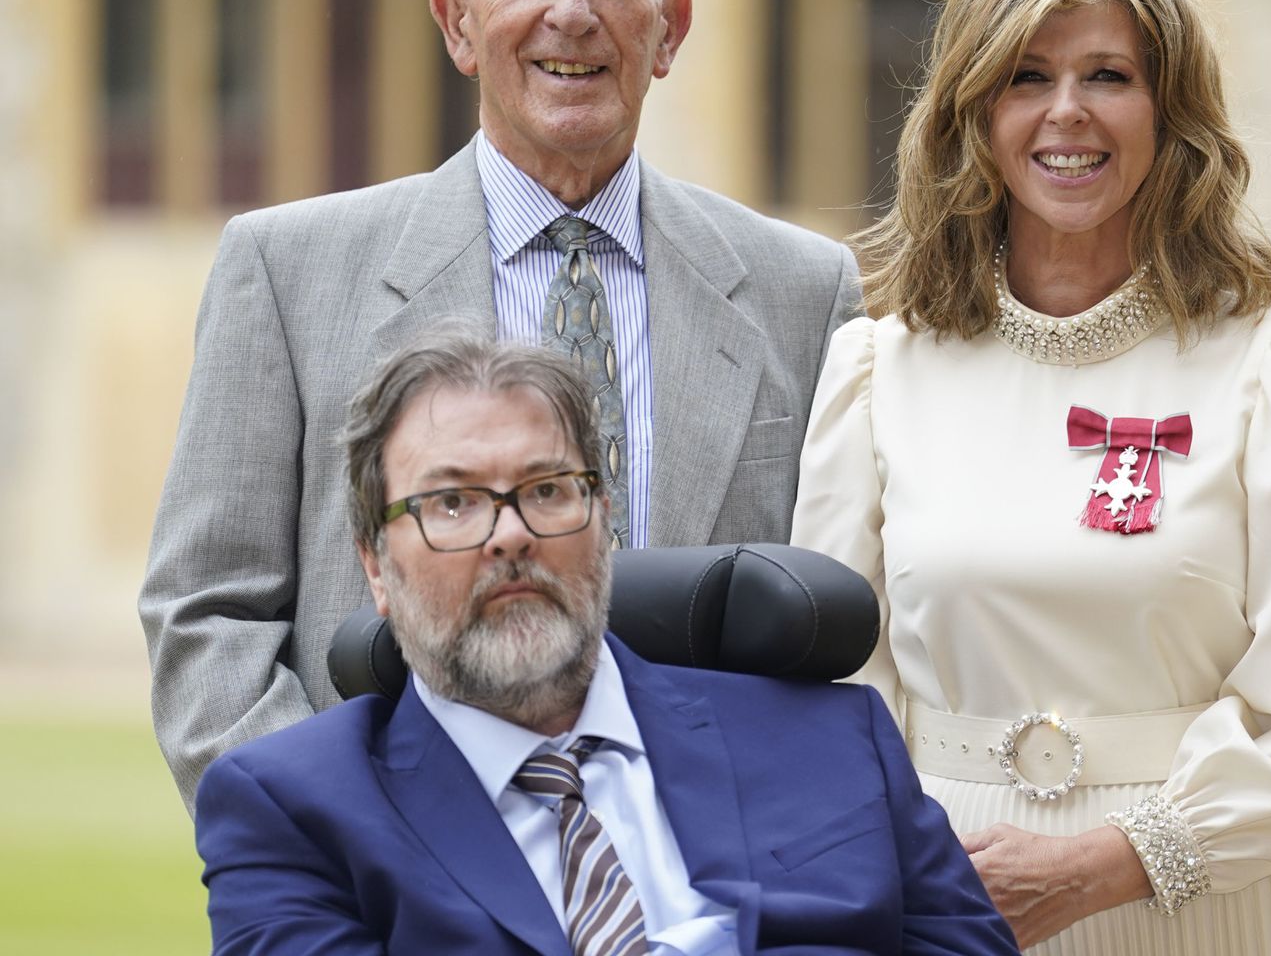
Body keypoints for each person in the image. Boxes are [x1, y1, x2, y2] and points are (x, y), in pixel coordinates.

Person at [790, 0, 1271, 955]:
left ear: (1169, 113)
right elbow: (835, 684)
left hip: (1220, 901)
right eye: (1025, 77)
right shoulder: (876, 372)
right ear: (971, 114)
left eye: (1108, 76)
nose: (1064, 112)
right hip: (947, 899)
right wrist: (914, 865)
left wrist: (1114, 863)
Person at [141, 0, 858, 809]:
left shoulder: (804, 291)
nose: (572, 10)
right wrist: (339, 842)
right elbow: (207, 612)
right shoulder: (284, 270)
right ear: (458, 22)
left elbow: (842, 621)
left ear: (670, 29)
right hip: (397, 870)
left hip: (710, 872)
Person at [195, 332, 1018, 956]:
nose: (508, 536)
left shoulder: (832, 738)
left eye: (548, 490)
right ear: (375, 563)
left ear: (603, 526)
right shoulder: (294, 809)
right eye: (451, 504)